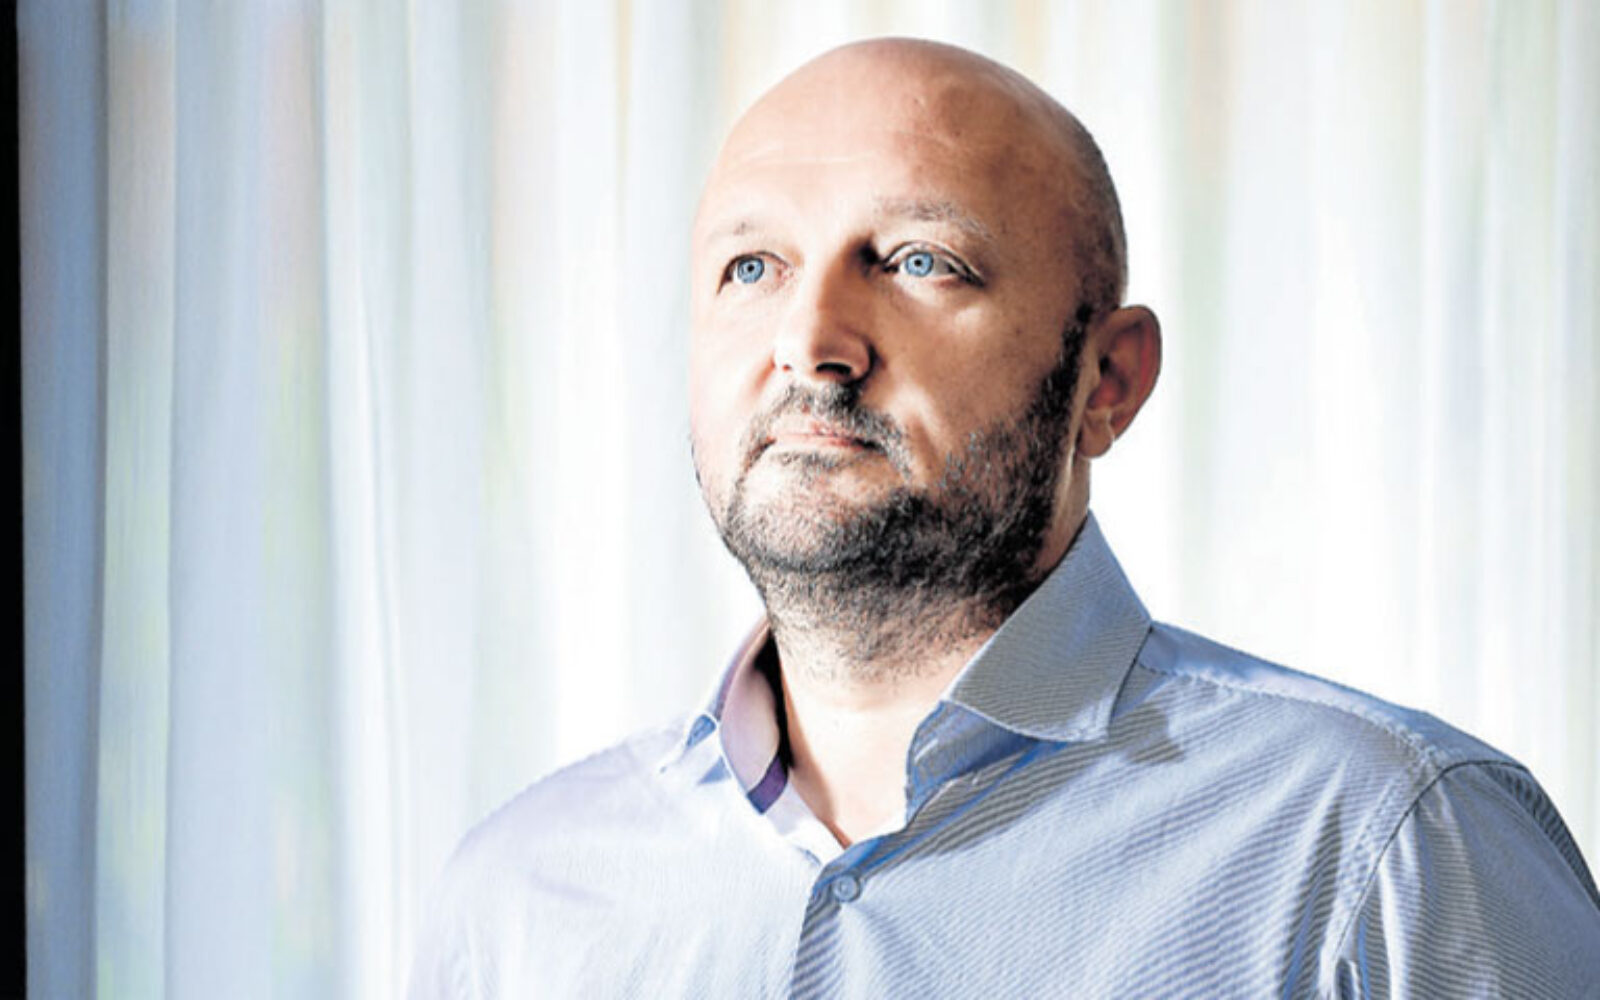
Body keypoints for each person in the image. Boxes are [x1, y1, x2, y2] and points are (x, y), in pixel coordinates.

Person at [411, 38, 1600, 998]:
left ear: (1107, 382)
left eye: (918, 261)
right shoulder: (516, 902)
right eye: (752, 267)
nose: (810, 342)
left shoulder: (1388, 846)